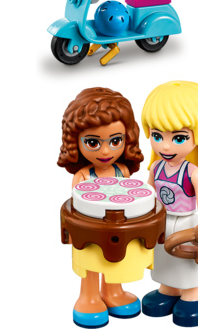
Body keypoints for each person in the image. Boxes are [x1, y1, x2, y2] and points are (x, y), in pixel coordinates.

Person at [58, 87, 146, 328]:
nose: (106, 151)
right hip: (90, 230)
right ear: (75, 142)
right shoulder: (83, 176)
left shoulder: (122, 171)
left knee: (115, 262)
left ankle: (113, 292)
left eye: (115, 141)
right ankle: (88, 297)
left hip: (117, 228)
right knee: (91, 263)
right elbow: (79, 205)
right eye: (93, 143)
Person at [140, 81, 198, 327]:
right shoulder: (156, 168)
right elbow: (147, 194)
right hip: (162, 222)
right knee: (164, 259)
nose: (165, 146)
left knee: (187, 260)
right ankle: (168, 289)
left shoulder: (193, 173)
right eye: (157, 136)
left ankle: (193, 295)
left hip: (187, 223)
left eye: (178, 138)